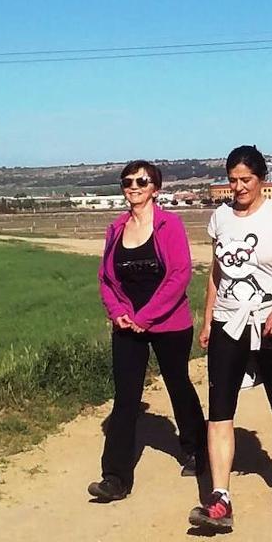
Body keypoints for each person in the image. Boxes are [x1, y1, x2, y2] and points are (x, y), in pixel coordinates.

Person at [189, 146, 272, 532]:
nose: (238, 187)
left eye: (246, 180)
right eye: (233, 180)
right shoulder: (220, 217)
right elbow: (216, 274)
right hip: (228, 322)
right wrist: (207, 321)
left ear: (261, 180)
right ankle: (220, 497)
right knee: (219, 408)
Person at [89, 160, 205, 503]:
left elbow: (179, 275)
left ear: (155, 187)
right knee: (125, 397)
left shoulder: (170, 225)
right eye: (128, 182)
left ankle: (197, 450)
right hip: (127, 326)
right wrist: (119, 312)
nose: (134, 187)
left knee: (178, 384)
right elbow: (106, 279)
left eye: (142, 181)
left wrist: (146, 317)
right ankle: (115, 477)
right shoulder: (116, 228)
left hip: (169, 322)